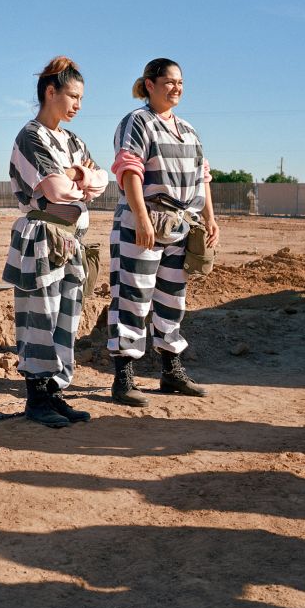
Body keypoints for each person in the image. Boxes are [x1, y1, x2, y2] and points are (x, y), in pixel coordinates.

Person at [107, 58, 219, 404]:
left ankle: (171, 371)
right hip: (145, 222)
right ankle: (123, 378)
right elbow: (129, 170)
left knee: (173, 298)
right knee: (133, 297)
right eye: (169, 82)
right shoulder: (137, 122)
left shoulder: (188, 130)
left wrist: (211, 218)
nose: (176, 88)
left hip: (181, 225)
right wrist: (141, 218)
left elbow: (203, 176)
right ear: (150, 84)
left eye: (181, 83)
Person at [3, 57, 108, 428]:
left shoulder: (72, 139)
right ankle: (37, 397)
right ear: (51, 93)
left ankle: (55, 393)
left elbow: (103, 180)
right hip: (42, 238)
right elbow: (57, 190)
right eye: (73, 96)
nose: (78, 104)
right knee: (39, 318)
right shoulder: (31, 136)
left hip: (70, 241)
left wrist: (79, 175)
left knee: (65, 319)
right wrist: (79, 178)